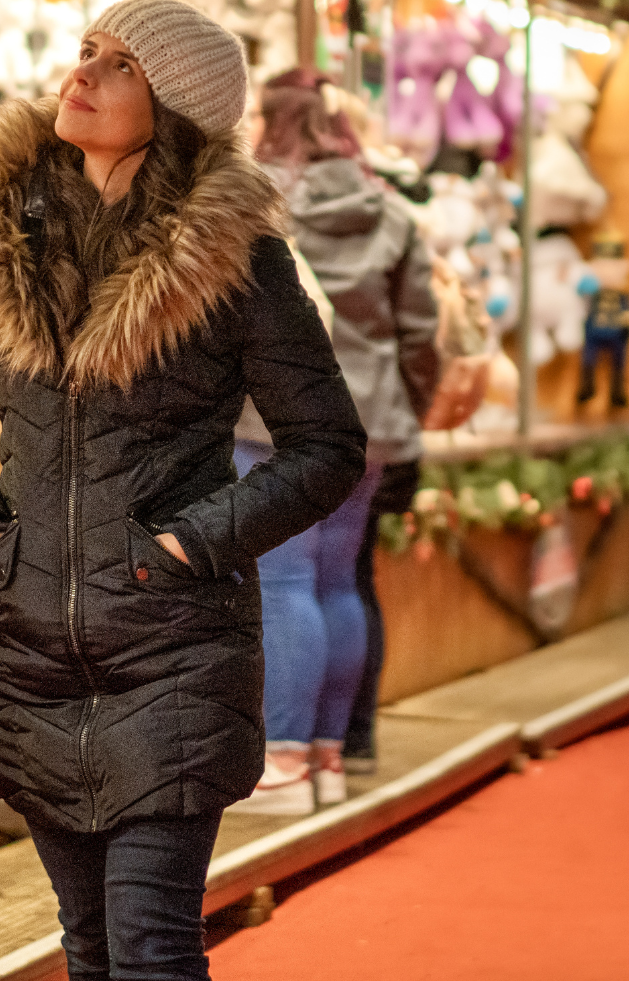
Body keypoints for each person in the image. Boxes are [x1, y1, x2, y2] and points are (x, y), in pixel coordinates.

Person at [0, 0, 365, 980]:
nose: (83, 75)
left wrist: (191, 545)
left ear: (176, 108)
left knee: (152, 944)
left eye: (120, 65)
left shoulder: (233, 261)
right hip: (31, 649)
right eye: (86, 52)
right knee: (88, 947)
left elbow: (325, 446)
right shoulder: (3, 244)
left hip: (175, 649)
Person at [234, 71, 439, 806]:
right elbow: (420, 333)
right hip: (372, 422)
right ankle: (325, 754)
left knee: (284, 581)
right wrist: (403, 411)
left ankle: (283, 762)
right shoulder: (391, 210)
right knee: (335, 581)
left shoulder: (255, 203)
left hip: (274, 421)